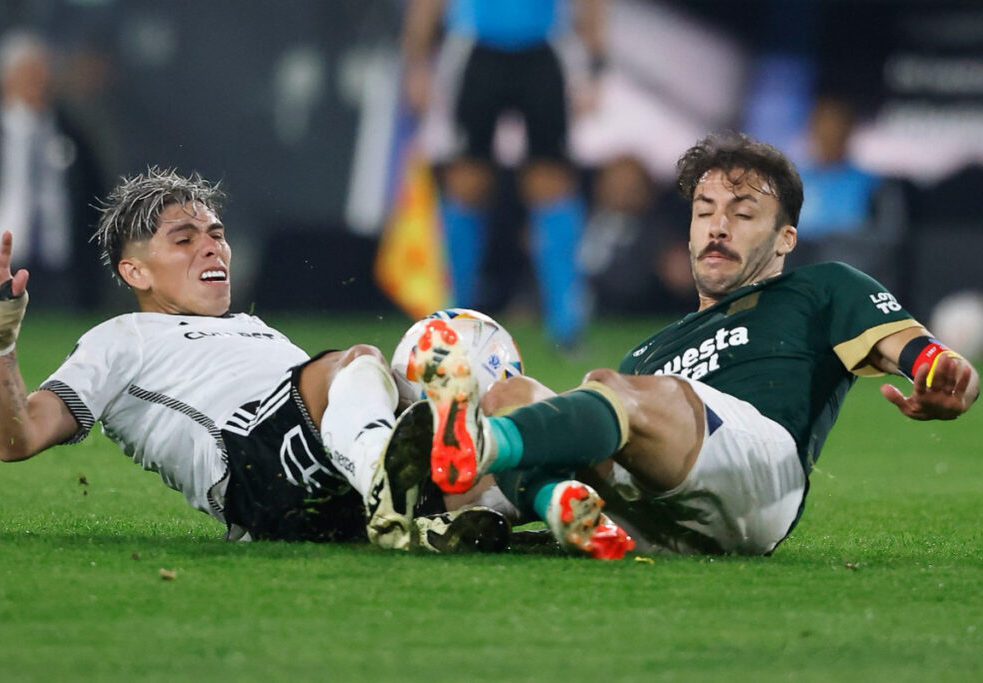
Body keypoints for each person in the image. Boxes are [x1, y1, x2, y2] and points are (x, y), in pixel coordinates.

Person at [377, 131, 980, 559]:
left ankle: (489, 454)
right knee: (515, 391)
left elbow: (920, 352)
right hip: (654, 517)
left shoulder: (820, 289)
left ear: (786, 237)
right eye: (705, 211)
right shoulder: (648, 355)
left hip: (760, 476)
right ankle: (507, 502)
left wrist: (947, 375)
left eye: (743, 213)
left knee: (611, 391)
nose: (718, 226)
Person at [0, 168, 507, 552]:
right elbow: (17, 438)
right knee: (359, 360)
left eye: (217, 235)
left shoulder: (254, 330)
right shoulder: (120, 338)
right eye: (185, 239)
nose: (213, 248)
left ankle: (553, 503)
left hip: (328, 480)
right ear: (136, 273)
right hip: (256, 464)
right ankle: (388, 488)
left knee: (516, 403)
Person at [402, 0, 607, 348]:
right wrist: (417, 63)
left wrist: (595, 65)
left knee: (550, 181)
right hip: (475, 45)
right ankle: (452, 317)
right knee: (467, 182)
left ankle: (566, 323)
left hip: (543, 47)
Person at [0, 28, 108, 310]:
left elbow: (92, 196)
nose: (38, 82)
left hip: (58, 268)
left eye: (42, 72)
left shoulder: (74, 133)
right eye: (28, 72)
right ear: (5, 77)